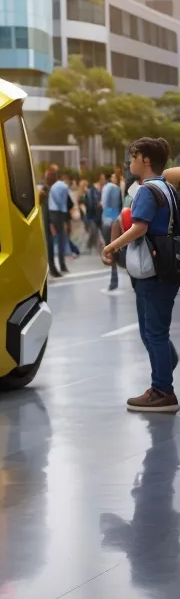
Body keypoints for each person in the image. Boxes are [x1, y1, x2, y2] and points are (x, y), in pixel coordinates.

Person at [103, 138, 180, 412]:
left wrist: (111, 246)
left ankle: (163, 391)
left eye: (133, 157)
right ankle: (165, 365)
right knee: (153, 331)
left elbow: (139, 228)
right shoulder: (168, 189)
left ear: (145, 160)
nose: (130, 162)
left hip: (152, 272)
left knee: (154, 333)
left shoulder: (147, 191)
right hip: (168, 269)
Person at [47, 169, 72, 275]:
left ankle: (57, 265)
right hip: (59, 213)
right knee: (62, 239)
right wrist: (65, 219)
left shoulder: (52, 187)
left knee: (52, 240)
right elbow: (63, 203)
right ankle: (62, 265)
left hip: (51, 213)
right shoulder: (63, 186)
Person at [101, 172, 122, 291]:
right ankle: (114, 279)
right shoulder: (118, 189)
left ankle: (114, 278)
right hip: (117, 220)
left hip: (107, 220)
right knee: (115, 248)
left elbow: (104, 204)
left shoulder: (108, 187)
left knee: (109, 249)